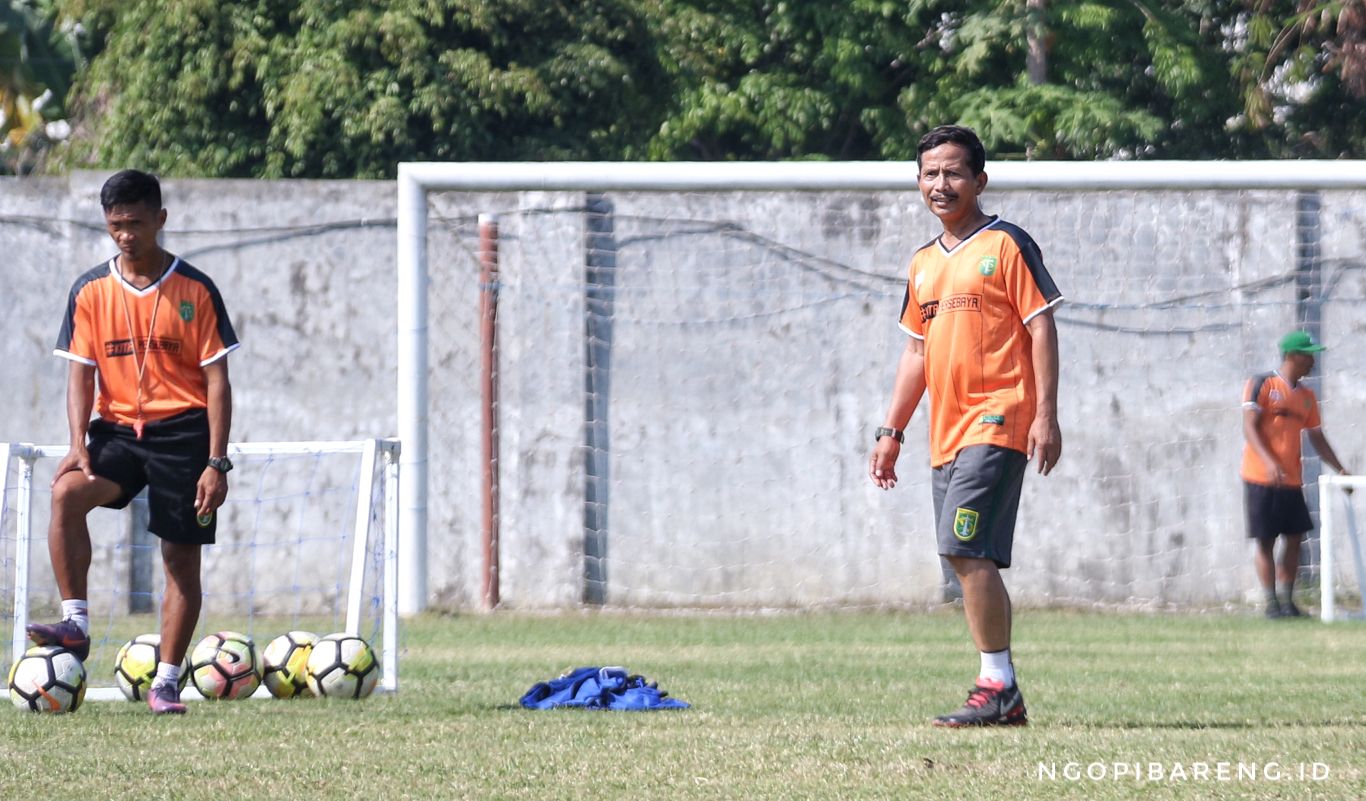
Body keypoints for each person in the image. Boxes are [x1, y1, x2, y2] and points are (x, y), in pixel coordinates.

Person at [870, 125, 1062, 727]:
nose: (940, 184)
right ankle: (1001, 689)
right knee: (964, 557)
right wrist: (891, 431)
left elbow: (1040, 327)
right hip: (945, 434)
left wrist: (1047, 416)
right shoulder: (923, 263)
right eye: (930, 173)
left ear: (980, 180)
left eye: (953, 173)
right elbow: (916, 354)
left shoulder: (1006, 245)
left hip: (999, 418)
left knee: (962, 545)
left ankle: (997, 686)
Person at [30, 169, 239, 714]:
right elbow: (79, 373)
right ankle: (75, 624)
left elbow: (218, 381)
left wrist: (216, 461)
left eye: (136, 224)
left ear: (160, 220)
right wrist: (78, 442)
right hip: (118, 430)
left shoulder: (195, 289)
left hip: (183, 434)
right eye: (116, 225)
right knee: (66, 493)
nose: (126, 235)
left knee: (179, 560)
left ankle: (166, 681)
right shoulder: (90, 290)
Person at [1240, 330, 1350, 619]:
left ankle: (1288, 603)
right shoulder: (1261, 383)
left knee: (1295, 537)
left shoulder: (1307, 397)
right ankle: (1270, 605)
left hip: (1291, 479)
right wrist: (1268, 461)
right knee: (1265, 540)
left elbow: (1317, 437)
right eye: (1308, 354)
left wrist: (1340, 469)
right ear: (1292, 356)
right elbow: (1249, 427)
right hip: (1260, 477)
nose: (1313, 360)